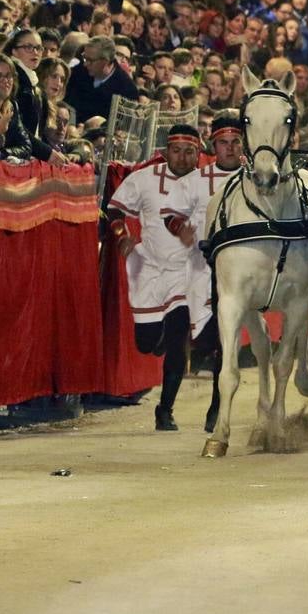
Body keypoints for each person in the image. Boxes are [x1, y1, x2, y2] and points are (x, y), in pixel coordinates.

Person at [105, 124, 205, 431]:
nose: (183, 158)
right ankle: (157, 336)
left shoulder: (208, 183)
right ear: (165, 152)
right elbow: (113, 210)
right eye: (177, 151)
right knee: (146, 343)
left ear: (198, 154)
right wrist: (122, 236)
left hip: (187, 271)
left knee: (178, 339)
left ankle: (165, 409)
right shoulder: (144, 179)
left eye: (190, 152)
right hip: (149, 269)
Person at [162, 112, 245, 432]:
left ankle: (215, 409)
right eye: (223, 143)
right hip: (192, 270)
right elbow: (169, 213)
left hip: (231, 276)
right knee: (177, 337)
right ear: (213, 145)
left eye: (235, 142)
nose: (229, 148)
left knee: (224, 342)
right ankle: (164, 409)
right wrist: (181, 230)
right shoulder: (195, 180)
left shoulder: (254, 178)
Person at [2, 28, 64, 164]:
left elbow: (37, 132)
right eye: (28, 47)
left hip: (26, 154)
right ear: (14, 51)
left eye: (38, 48)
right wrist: (47, 152)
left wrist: (52, 150)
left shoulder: (32, 82)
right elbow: (18, 128)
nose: (35, 52)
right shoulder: (14, 79)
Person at [65, 35, 138, 122]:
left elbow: (121, 126)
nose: (85, 64)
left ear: (105, 62)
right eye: (84, 58)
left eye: (90, 60)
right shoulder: (77, 72)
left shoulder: (127, 90)